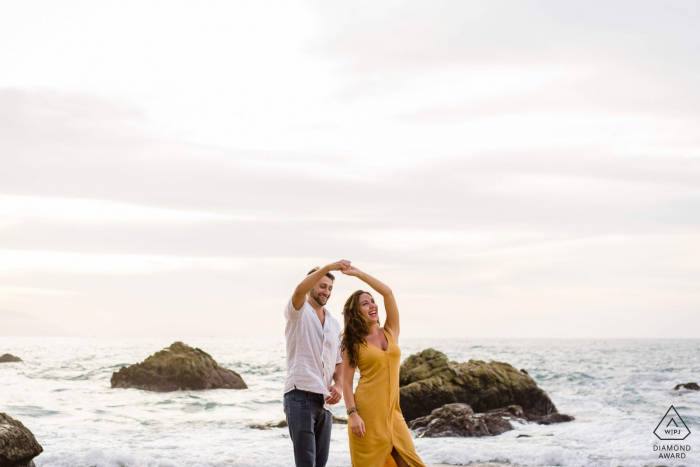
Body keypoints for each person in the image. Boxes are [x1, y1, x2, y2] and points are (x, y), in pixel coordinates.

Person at [340, 265, 426, 467]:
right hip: (367, 417)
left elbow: (387, 293)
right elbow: (346, 382)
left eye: (372, 301)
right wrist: (353, 414)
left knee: (410, 463)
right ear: (356, 312)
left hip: (394, 415)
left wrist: (359, 274)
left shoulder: (391, 331)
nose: (372, 306)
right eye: (364, 304)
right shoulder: (353, 342)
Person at [283, 261, 350, 467]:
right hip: (299, 396)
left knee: (320, 464)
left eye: (330, 288)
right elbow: (299, 290)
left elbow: (339, 362)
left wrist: (338, 385)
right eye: (322, 286)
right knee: (306, 464)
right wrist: (329, 266)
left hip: (325, 404)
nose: (326, 292)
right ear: (311, 285)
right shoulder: (298, 311)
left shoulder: (333, 323)